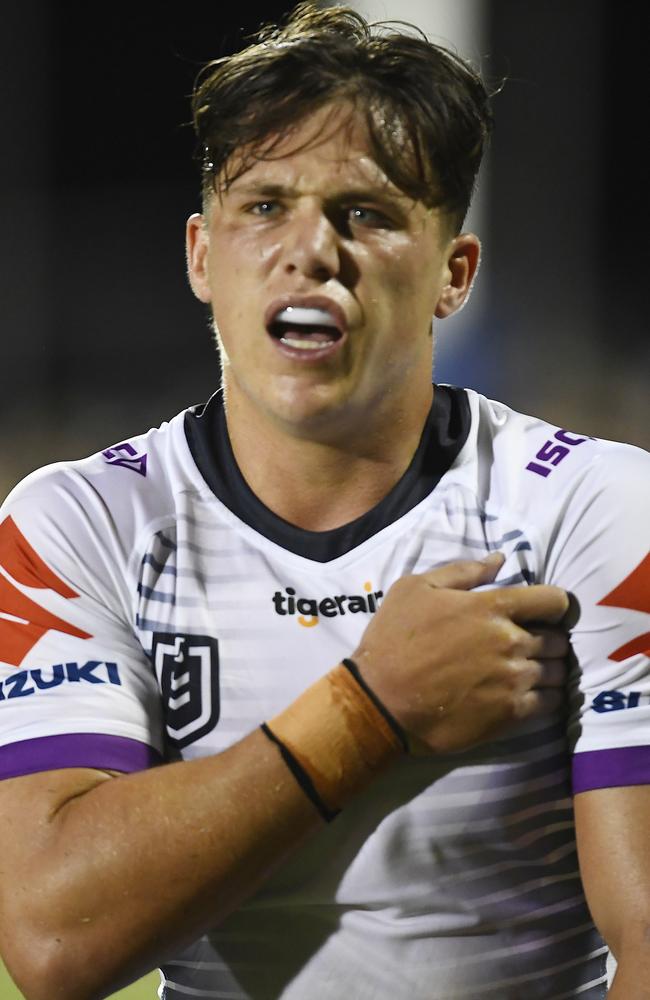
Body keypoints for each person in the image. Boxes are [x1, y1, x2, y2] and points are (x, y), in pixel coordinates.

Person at [0, 4, 648, 998]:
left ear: (452, 273)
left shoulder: (593, 509)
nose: (311, 251)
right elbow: (52, 943)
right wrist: (369, 708)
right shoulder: (78, 524)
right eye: (264, 205)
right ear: (201, 256)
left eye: (368, 212)